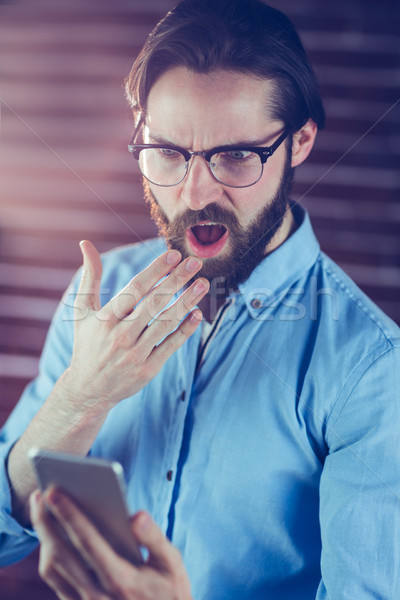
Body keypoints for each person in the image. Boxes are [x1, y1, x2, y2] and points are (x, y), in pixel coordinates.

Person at [1, 0, 399, 598]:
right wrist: (80, 396)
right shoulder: (98, 294)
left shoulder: (372, 369)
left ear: (301, 142)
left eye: (235, 156)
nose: (193, 192)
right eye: (168, 152)